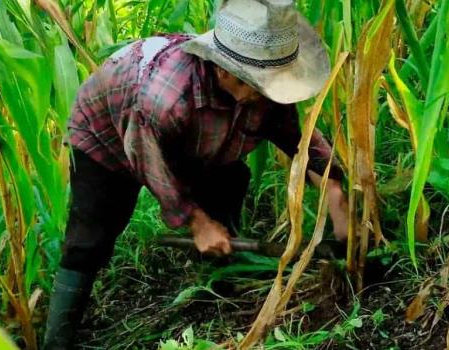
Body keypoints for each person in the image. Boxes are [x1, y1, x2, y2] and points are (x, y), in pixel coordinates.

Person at [44, 0, 350, 348]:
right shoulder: (167, 99)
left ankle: (219, 280)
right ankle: (58, 339)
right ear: (225, 72)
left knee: (230, 181)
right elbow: (148, 164)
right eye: (262, 85)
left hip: (190, 141)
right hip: (108, 138)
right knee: (90, 238)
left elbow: (300, 139)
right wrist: (196, 222)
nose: (271, 95)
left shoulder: (259, 95)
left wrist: (333, 189)